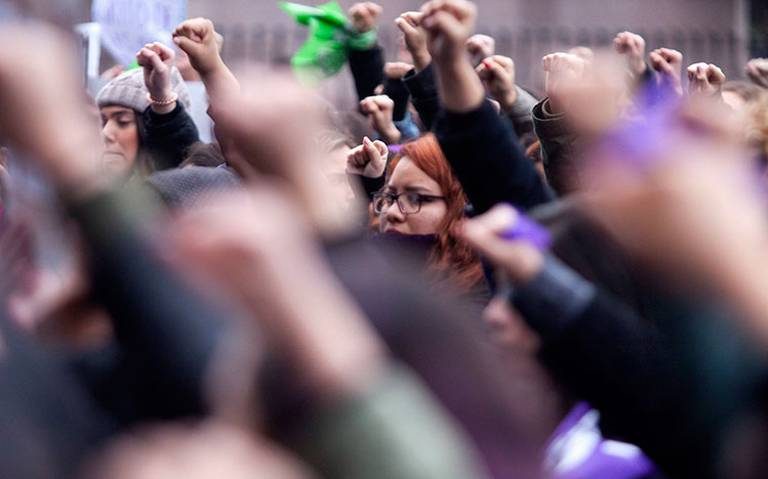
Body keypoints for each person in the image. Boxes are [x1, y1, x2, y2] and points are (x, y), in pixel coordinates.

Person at [96, 42, 198, 179]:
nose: (105, 133)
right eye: (102, 121)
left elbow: (176, 148)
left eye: (122, 121)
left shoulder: (180, 192)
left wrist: (161, 101)